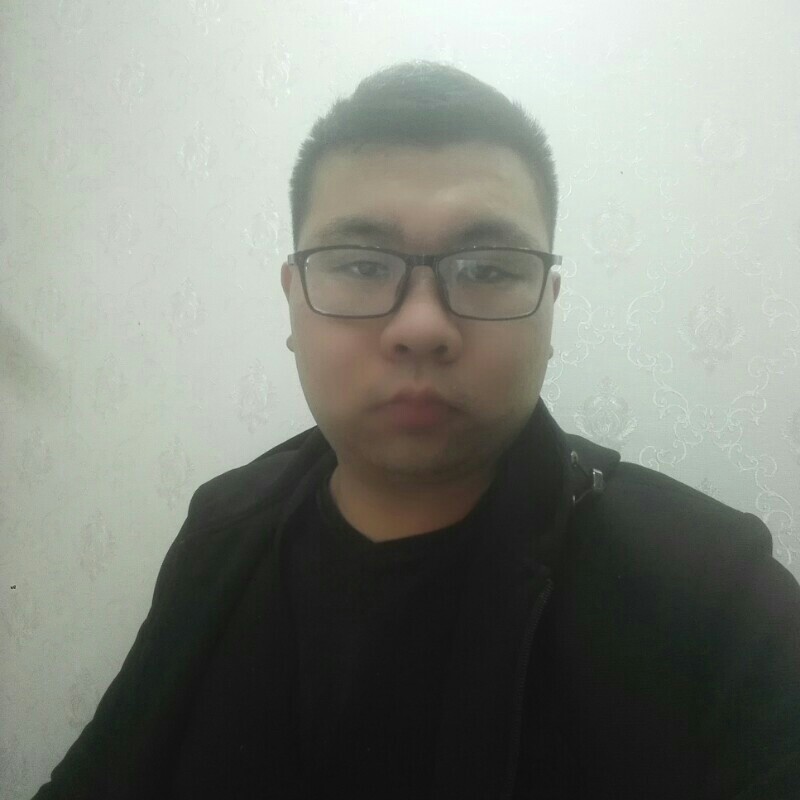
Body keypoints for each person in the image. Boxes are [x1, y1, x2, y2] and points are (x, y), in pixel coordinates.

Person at [33, 61, 800, 800]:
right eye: (362, 266)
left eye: (489, 268)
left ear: (550, 305)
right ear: (293, 299)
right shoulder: (221, 529)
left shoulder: (715, 596)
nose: (422, 327)